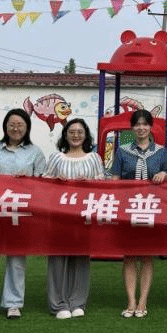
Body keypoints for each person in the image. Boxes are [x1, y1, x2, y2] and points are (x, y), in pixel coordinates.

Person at [0, 109, 47, 323]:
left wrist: (28, 180)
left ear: (27, 127)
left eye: (20, 125)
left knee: (17, 259)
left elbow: (43, 181)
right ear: (5, 126)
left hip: (20, 213)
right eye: (12, 124)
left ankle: (13, 304)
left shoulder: (35, 152)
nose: (16, 128)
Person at [108, 109, 167, 318]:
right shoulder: (122, 151)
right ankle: (131, 301)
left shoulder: (161, 151)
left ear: (151, 127)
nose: (141, 128)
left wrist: (164, 174)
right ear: (132, 128)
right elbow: (115, 178)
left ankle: (143, 300)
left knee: (147, 255)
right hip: (128, 209)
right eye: (137, 124)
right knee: (129, 256)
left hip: (152, 209)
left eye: (145, 124)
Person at [42, 118, 105, 319]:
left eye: (80, 132)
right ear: (65, 135)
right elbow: (44, 182)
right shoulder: (56, 158)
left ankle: (78, 302)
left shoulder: (94, 158)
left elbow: (102, 183)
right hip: (59, 216)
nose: (76, 135)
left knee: (80, 258)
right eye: (71, 132)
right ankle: (58, 303)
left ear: (86, 135)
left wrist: (90, 184)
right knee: (58, 259)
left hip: (84, 216)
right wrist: (56, 182)